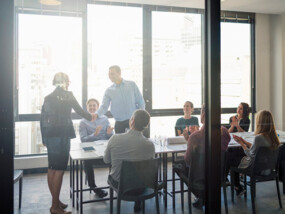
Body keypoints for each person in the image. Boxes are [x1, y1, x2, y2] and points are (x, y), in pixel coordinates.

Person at [40, 72, 95, 214]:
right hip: (62, 136)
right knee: (59, 170)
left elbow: (42, 119)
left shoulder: (48, 97)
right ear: (64, 82)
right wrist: (92, 117)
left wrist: (44, 138)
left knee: (52, 168)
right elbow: (80, 111)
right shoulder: (68, 95)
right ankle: (54, 207)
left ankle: (56, 201)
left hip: (50, 137)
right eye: (68, 81)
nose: (69, 83)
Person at [103, 109, 155, 212]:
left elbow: (106, 160)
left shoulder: (115, 139)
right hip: (142, 186)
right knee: (138, 172)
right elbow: (149, 166)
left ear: (132, 121)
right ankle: (138, 203)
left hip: (120, 184)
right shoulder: (150, 145)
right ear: (146, 125)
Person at [183, 104, 231, 208]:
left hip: (200, 177)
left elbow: (188, 160)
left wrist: (189, 141)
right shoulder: (225, 132)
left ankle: (201, 195)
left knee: (178, 167)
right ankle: (204, 196)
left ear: (203, 115)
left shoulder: (195, 137)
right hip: (218, 175)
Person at [231, 110, 280, 196]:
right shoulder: (273, 138)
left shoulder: (259, 138)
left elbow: (251, 155)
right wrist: (245, 142)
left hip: (256, 169)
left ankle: (237, 186)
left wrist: (241, 144)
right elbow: (257, 148)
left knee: (233, 158)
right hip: (268, 168)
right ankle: (238, 187)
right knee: (238, 155)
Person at [94, 65, 145, 133]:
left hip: (133, 122)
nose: (110, 76)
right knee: (120, 143)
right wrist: (96, 114)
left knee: (134, 143)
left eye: (112, 74)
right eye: (109, 74)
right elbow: (104, 106)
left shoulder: (131, 85)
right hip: (119, 124)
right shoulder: (109, 90)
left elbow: (140, 101)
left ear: (119, 73)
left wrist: (141, 118)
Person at [79, 98, 114, 198]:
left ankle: (116, 184)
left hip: (104, 149)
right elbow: (83, 140)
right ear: (87, 108)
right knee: (87, 162)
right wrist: (94, 134)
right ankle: (94, 188)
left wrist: (109, 133)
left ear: (98, 107)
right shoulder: (83, 122)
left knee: (116, 158)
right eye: (90, 106)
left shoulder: (104, 119)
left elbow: (111, 137)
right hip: (91, 150)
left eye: (94, 105)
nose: (92, 107)